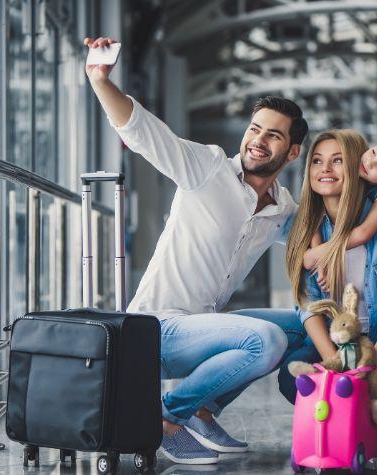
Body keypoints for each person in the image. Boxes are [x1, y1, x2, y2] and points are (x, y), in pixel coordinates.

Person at [84, 36, 310, 465]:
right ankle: (165, 417)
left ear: (292, 152)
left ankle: (204, 409)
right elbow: (145, 133)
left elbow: (328, 235)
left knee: (302, 326)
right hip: (156, 330)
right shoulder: (207, 168)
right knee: (266, 341)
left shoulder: (282, 209)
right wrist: (100, 80)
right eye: (254, 129)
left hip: (203, 326)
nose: (258, 140)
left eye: (274, 136)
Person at [234, 130, 377, 456]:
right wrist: (334, 362)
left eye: (337, 160)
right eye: (317, 161)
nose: (325, 168)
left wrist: (373, 361)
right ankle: (343, 421)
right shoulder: (307, 223)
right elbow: (308, 304)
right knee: (290, 377)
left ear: (353, 166)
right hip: (333, 338)